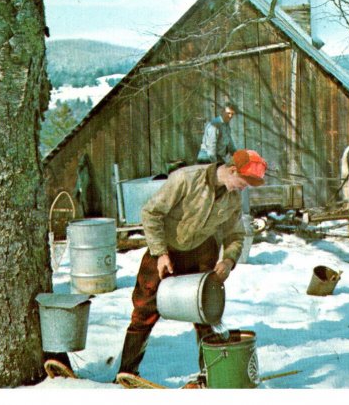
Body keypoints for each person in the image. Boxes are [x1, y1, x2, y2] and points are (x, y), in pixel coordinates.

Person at [115, 149, 268, 384]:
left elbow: (236, 235)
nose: (244, 188)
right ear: (232, 170)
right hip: (166, 250)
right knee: (144, 310)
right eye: (244, 181)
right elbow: (151, 212)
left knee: (205, 313)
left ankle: (210, 374)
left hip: (201, 253)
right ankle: (126, 374)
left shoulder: (233, 199)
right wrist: (160, 253)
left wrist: (228, 260)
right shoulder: (186, 179)